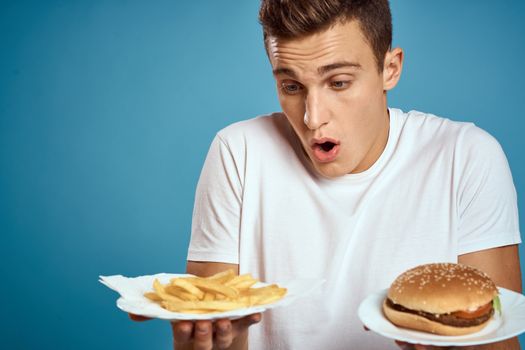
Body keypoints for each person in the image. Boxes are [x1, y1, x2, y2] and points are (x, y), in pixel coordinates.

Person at [132, 1, 522, 349]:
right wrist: (215, 344)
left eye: (338, 82)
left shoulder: (466, 156)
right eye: (291, 86)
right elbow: (207, 332)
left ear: (390, 68)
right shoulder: (238, 152)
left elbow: (500, 338)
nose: (312, 116)